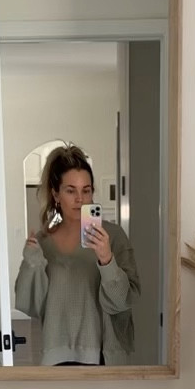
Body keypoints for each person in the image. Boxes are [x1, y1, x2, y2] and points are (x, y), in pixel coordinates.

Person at [14, 144, 140, 366]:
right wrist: (31, 263)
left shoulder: (113, 236)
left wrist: (106, 259)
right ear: (56, 194)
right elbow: (30, 305)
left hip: (103, 357)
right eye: (70, 190)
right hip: (56, 357)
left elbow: (124, 302)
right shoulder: (43, 242)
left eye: (86, 190)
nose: (80, 199)